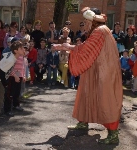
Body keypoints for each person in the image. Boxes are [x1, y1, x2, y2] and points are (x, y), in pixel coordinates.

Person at [53, 7, 123, 144]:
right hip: (95, 69)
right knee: (86, 93)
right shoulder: (99, 30)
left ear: (93, 20)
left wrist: (66, 47)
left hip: (104, 73)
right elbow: (88, 49)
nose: (84, 23)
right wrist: (68, 47)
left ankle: (113, 134)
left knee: (106, 100)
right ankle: (83, 122)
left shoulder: (100, 30)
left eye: (86, 20)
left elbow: (85, 48)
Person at [4, 48, 26, 116]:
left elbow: (23, 66)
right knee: (10, 93)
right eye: (22, 48)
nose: (24, 50)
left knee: (17, 91)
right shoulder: (12, 56)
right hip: (12, 77)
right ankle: (7, 110)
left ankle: (16, 105)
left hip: (19, 76)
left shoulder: (22, 56)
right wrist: (15, 75)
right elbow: (9, 68)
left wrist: (23, 75)